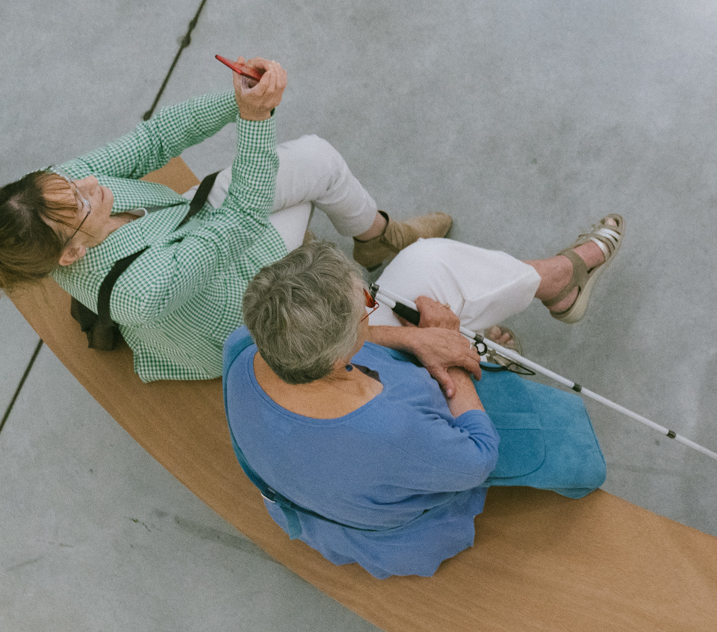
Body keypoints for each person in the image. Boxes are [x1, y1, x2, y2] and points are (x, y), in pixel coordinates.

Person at [0, 59, 459, 381]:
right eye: (80, 203)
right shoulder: (141, 293)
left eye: (69, 182)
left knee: (317, 157)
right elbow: (241, 217)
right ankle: (375, 245)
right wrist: (255, 119)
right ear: (72, 254)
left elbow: (154, 139)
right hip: (232, 305)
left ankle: (379, 237)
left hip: (192, 226)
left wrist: (239, 99)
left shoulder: (53, 197)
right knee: (313, 172)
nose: (90, 183)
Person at [221, 222, 623, 579]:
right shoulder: (391, 429)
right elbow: (479, 456)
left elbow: (340, 347)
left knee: (426, 259)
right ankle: (489, 348)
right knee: (573, 447)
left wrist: (414, 338)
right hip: (395, 519)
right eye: (367, 305)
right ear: (338, 352)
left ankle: (556, 282)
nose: (372, 304)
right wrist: (454, 351)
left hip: (329, 454)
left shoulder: (246, 345)